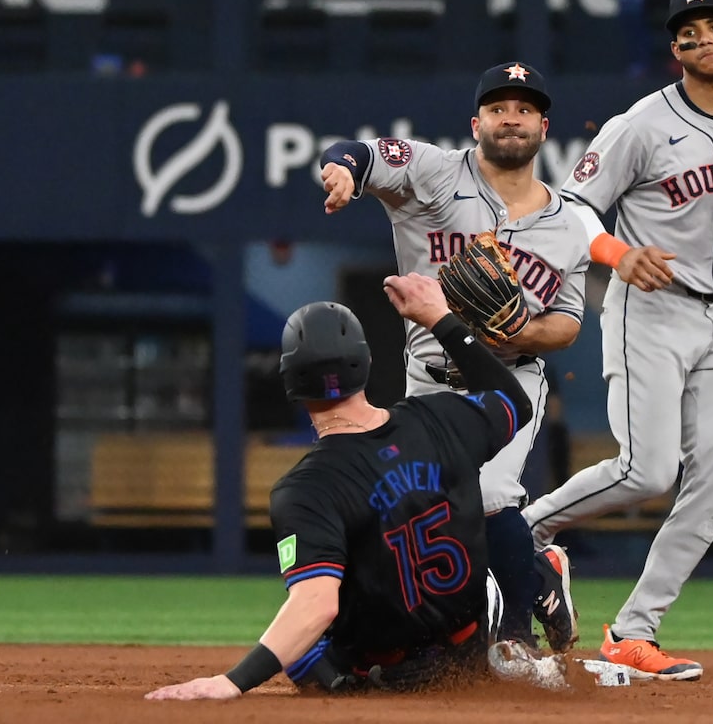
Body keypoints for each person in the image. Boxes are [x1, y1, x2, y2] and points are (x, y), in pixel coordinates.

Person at [519, 0, 713, 681]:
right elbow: (570, 206)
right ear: (675, 48)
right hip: (648, 308)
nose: (705, 39)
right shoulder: (642, 124)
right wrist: (618, 253)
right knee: (648, 471)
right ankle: (525, 529)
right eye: (689, 31)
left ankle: (633, 631)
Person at [146, 274, 565, 700]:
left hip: (391, 670)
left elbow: (316, 604)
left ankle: (525, 582)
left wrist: (231, 681)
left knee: (302, 650)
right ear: (366, 363)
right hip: (470, 646)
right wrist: (440, 318)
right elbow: (514, 400)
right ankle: (530, 577)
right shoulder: (442, 417)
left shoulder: (306, 488)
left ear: (292, 384)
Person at [317, 61, 589, 653]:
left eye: (524, 110)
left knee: (489, 494)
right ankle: (541, 575)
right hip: (430, 376)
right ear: (476, 123)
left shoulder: (570, 226)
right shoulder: (434, 173)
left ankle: (515, 640)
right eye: (498, 108)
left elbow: (568, 324)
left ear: (544, 128)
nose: (510, 118)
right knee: (425, 508)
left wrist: (523, 330)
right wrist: (342, 170)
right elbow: (359, 154)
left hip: (510, 380)